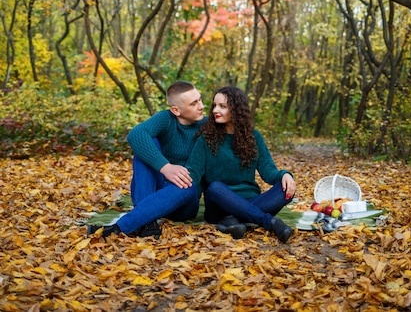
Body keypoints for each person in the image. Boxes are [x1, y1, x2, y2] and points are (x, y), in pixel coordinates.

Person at [87, 80, 205, 239]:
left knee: (187, 185)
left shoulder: (207, 124)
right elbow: (136, 134)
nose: (201, 106)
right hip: (156, 190)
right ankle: (148, 224)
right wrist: (166, 167)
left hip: (183, 200)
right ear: (176, 110)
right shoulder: (166, 118)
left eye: (200, 100)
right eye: (194, 103)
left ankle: (119, 228)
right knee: (147, 144)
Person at [185, 85, 296, 242]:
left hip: (250, 199)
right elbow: (193, 173)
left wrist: (285, 175)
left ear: (236, 109)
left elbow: (269, 171)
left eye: (222, 106)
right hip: (218, 204)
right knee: (215, 187)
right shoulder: (206, 139)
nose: (216, 110)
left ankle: (234, 221)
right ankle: (269, 222)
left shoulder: (254, 137)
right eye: (214, 105)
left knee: (286, 190)